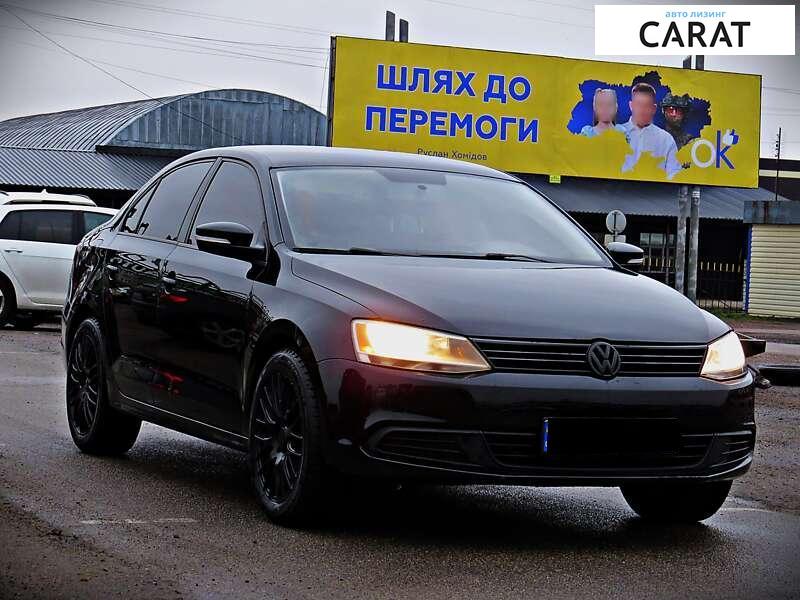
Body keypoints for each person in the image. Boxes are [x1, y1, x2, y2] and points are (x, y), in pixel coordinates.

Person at [621, 82, 682, 180]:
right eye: (638, 104)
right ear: (631, 106)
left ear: (654, 108)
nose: (642, 110)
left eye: (646, 105)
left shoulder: (666, 140)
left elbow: (674, 175)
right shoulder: (615, 134)